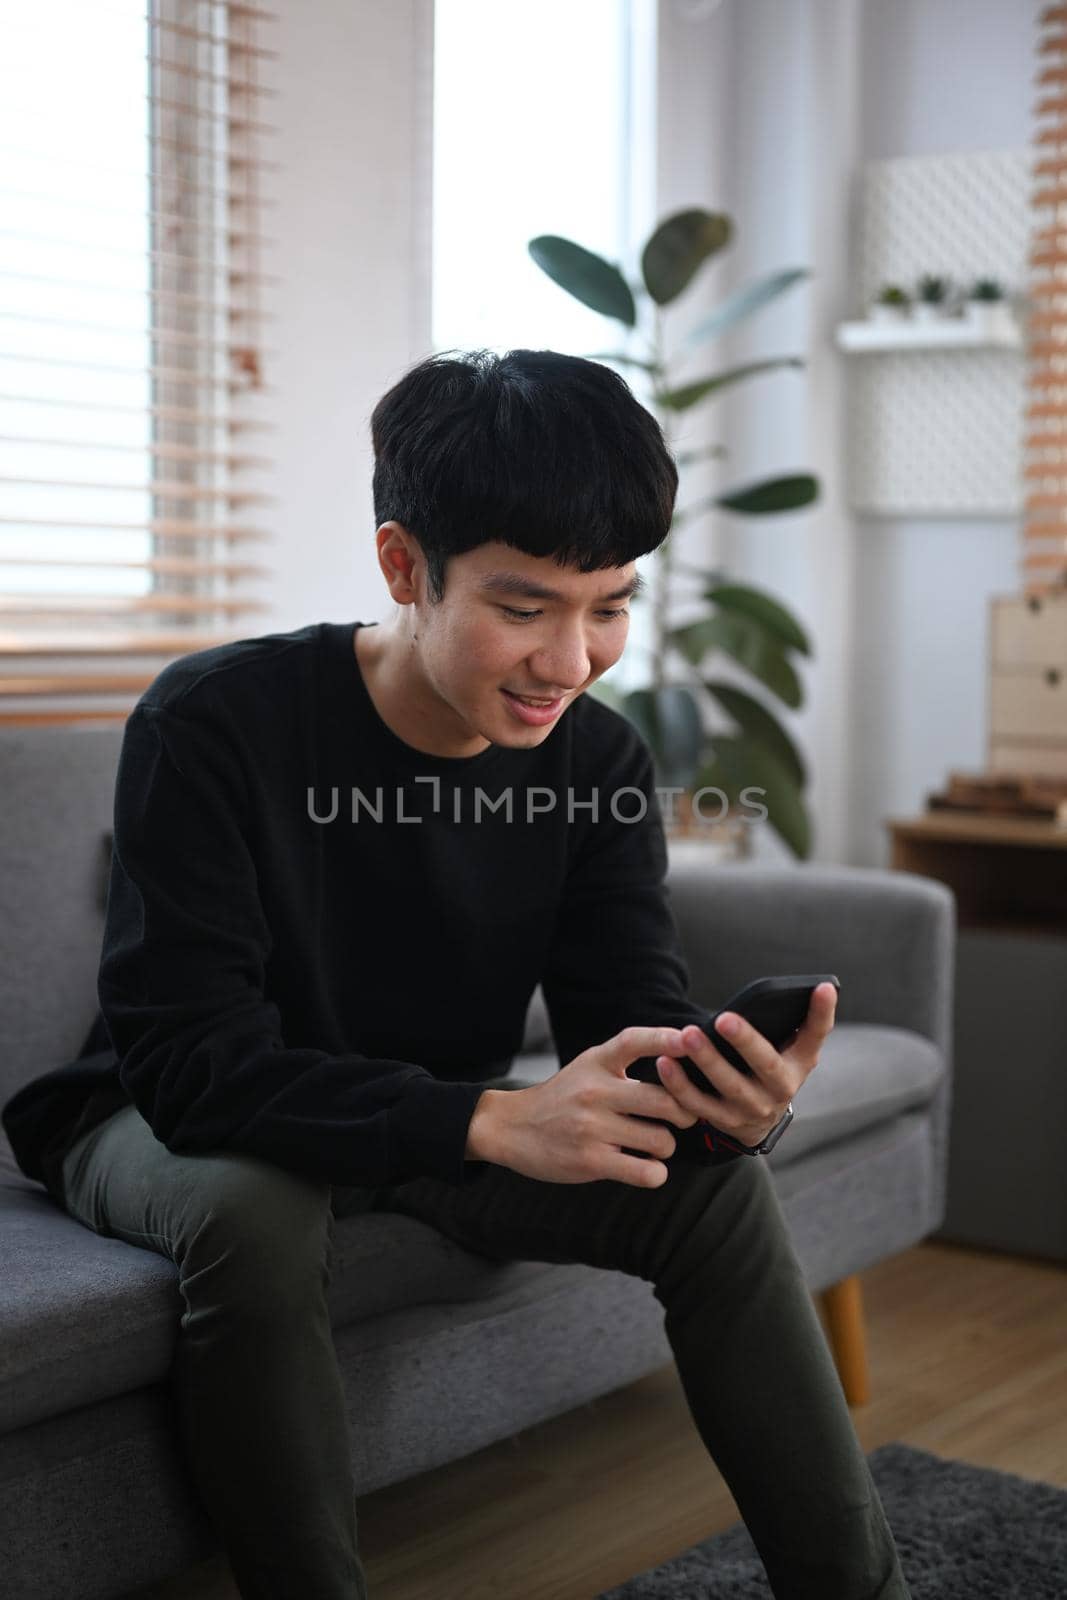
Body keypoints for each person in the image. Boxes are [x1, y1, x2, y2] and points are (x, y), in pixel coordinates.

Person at [2, 349, 910, 1600]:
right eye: (525, 606)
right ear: (401, 568)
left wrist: (716, 1101)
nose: (572, 658)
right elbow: (188, 1064)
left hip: (422, 1121)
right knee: (254, 1215)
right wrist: (483, 1117)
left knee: (711, 1195)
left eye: (610, 604)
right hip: (165, 1117)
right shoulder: (214, 721)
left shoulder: (592, 760)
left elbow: (622, 1025)